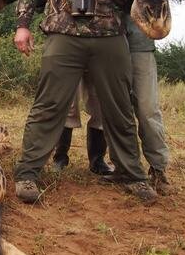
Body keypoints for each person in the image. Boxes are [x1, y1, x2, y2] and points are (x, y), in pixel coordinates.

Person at [12, 0, 157, 205]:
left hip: (108, 33)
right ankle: (28, 173)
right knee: (49, 105)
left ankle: (132, 174)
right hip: (63, 32)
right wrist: (23, 25)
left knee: (118, 107)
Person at [52, 14, 173, 195]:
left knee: (143, 110)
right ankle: (63, 158)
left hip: (133, 42)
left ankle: (156, 170)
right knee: (87, 105)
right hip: (92, 37)